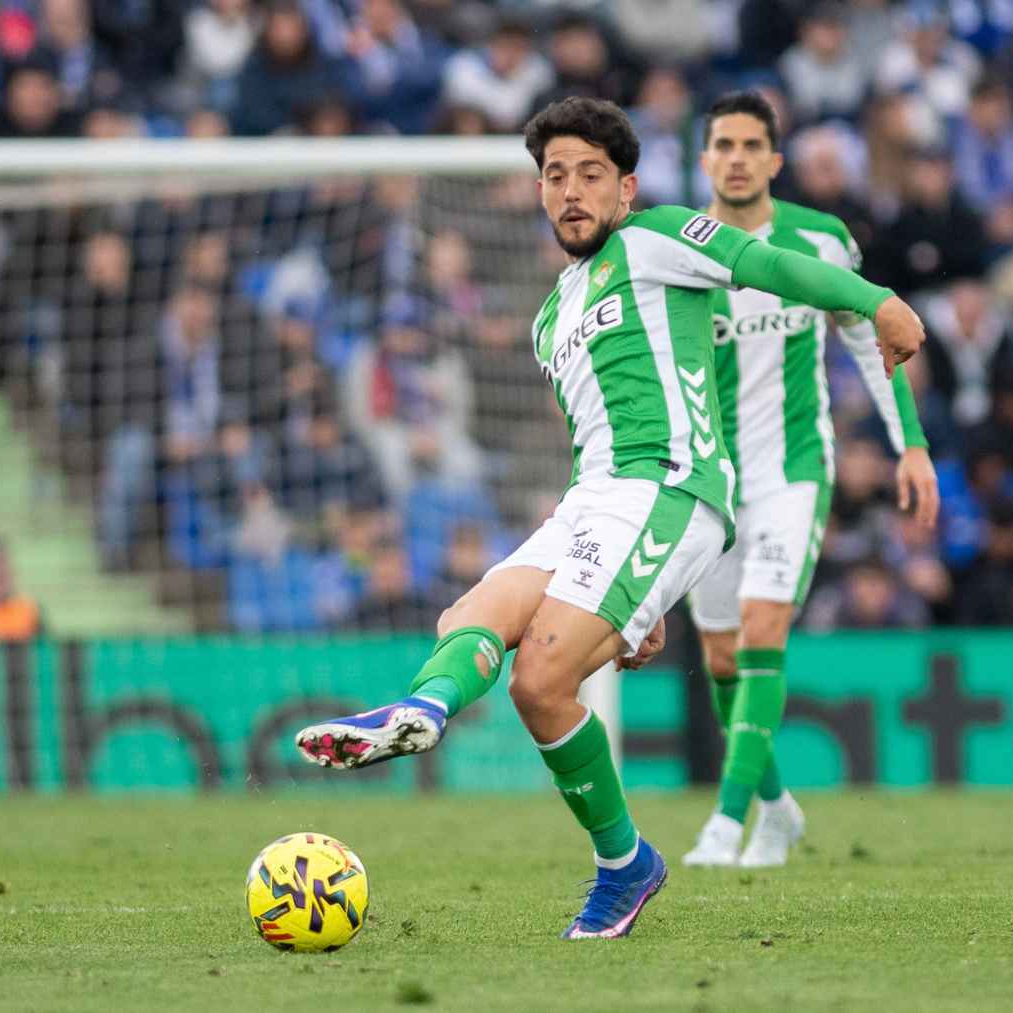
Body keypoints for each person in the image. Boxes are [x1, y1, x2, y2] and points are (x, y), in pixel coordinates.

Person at [294, 96, 924, 939]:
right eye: (555, 176)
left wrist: (874, 297)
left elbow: (768, 265)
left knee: (544, 675)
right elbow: (592, 439)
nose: (570, 191)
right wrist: (643, 593)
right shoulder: (551, 314)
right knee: (472, 617)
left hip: (671, 488)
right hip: (597, 499)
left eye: (590, 174)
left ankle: (635, 853)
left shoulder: (656, 237)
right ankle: (429, 714)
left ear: (625, 188)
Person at [678, 91, 938, 870]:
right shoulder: (678, 248)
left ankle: (725, 823)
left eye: (751, 144)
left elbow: (872, 345)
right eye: (722, 143)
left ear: (774, 160)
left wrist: (911, 445)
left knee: (763, 631)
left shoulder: (820, 240)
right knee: (722, 659)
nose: (736, 157)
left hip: (794, 467)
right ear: (704, 159)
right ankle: (778, 808)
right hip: (710, 480)